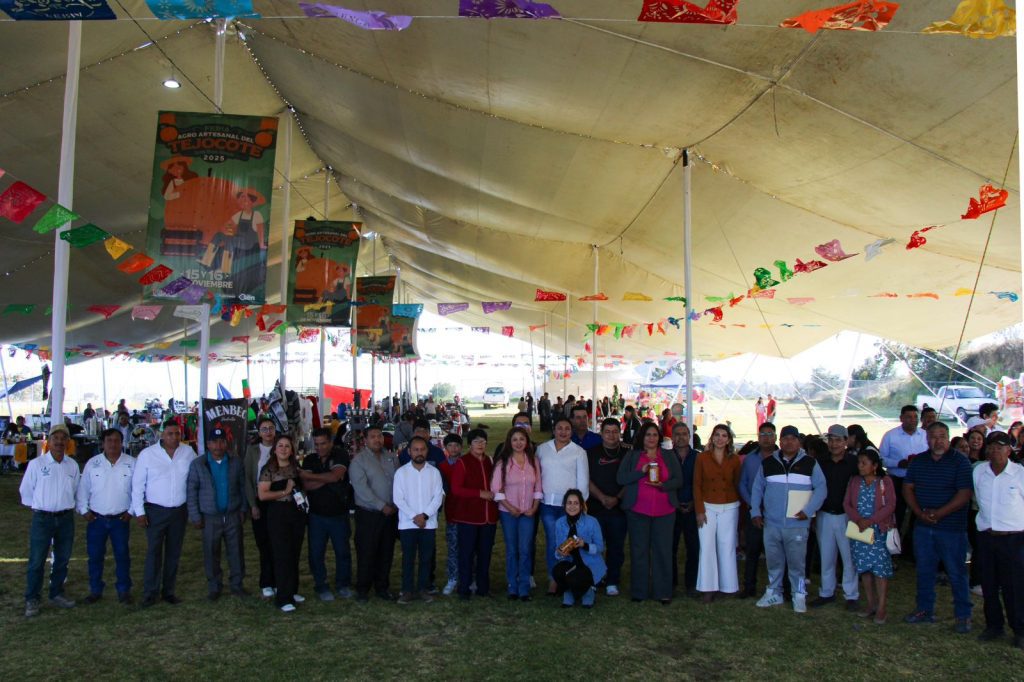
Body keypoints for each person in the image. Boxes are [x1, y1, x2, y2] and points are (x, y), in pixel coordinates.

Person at [901, 421, 974, 632]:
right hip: (923, 526)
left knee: (956, 572)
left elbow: (964, 494)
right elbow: (908, 488)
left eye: (942, 436)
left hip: (951, 528)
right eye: (933, 436)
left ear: (949, 438)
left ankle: (963, 615)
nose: (938, 440)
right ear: (927, 438)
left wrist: (939, 513)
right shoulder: (919, 461)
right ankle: (924, 609)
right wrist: (919, 513)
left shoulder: (960, 462)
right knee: (924, 570)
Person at [751, 425, 826, 613]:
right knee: (774, 561)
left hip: (797, 524)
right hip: (772, 523)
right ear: (780, 441)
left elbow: (821, 489)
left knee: (797, 563)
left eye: (793, 438)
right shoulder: (768, 463)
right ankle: (774, 592)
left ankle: (799, 594)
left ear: (799, 441)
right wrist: (755, 512)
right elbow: (757, 489)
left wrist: (808, 510)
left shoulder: (810, 463)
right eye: (785, 438)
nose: (789, 442)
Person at [132, 420, 197, 608]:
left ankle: (169, 591)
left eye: (177, 433)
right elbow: (137, 485)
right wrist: (139, 511)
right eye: (170, 434)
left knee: (173, 553)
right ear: (162, 435)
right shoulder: (147, 455)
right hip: (155, 511)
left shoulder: (188, 453)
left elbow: (194, 480)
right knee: (154, 552)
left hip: (179, 510)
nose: (174, 437)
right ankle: (150, 593)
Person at [617, 421, 682, 604]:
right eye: (648, 435)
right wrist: (640, 472)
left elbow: (679, 479)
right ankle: (639, 591)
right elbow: (621, 478)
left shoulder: (668, 455)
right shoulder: (632, 456)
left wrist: (664, 486)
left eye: (654, 435)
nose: (651, 438)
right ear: (642, 438)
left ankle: (663, 591)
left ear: (659, 437)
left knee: (663, 551)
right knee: (639, 551)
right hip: (638, 511)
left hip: (665, 511)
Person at [20, 424, 81, 617]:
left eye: (64, 439)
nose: (60, 442)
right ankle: (32, 598)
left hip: (65, 518)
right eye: (56, 438)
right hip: (42, 518)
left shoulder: (72, 465)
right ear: (49, 441)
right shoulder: (37, 464)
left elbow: (76, 491)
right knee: (37, 560)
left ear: (68, 442)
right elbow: (26, 491)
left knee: (62, 559)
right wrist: (41, 507)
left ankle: (56, 593)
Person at [973, 431, 1024, 647]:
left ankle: (1020, 629)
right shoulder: (979, 472)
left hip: (1014, 539)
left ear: (1009, 450)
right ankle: (994, 625)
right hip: (986, 536)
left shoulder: (1020, 474)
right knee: (989, 584)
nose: (995, 451)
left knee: (1015, 587)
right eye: (991, 446)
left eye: (1000, 446)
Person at [187, 427, 249, 600]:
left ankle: (237, 585)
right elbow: (191, 491)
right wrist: (195, 516)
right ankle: (214, 586)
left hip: (232, 515)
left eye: (221, 441)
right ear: (208, 444)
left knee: (236, 551)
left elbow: (243, 487)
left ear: (226, 443)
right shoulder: (198, 464)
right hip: (210, 517)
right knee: (211, 552)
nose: (218, 446)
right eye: (214, 442)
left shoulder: (235, 462)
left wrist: (243, 508)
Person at [76, 428, 135, 605]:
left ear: (122, 443)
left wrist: (131, 511)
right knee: (95, 556)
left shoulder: (132, 463)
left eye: (117, 440)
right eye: (109, 440)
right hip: (96, 519)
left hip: (120, 519)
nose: (113, 444)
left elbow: (139, 490)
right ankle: (95, 590)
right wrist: (84, 510)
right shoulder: (92, 464)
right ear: (103, 443)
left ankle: (124, 590)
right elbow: (83, 490)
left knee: (122, 555)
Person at [537, 417, 590, 596]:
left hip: (570, 507)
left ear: (571, 431)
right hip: (548, 504)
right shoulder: (542, 449)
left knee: (569, 543)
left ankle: (570, 577)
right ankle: (554, 579)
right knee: (553, 541)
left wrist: (580, 505)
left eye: (567, 428)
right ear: (554, 430)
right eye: (559, 428)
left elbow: (583, 481)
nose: (563, 432)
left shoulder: (578, 452)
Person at [844, 447, 896, 624]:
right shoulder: (855, 481)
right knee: (864, 569)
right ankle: (871, 603)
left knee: (879, 570)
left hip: (877, 532)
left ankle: (881, 607)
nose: (860, 466)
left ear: (874, 466)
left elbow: (890, 505)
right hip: (859, 531)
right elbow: (847, 503)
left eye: (864, 463)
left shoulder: (884, 481)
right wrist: (859, 520)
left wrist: (871, 520)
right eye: (859, 462)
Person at [300, 427, 353, 601]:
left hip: (339, 513)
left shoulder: (340, 454)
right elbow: (305, 486)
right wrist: (327, 477)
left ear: (330, 442)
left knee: (342, 552)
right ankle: (321, 585)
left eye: (323, 443)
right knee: (316, 553)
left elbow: (336, 476)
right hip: (316, 515)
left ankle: (343, 584)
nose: (320, 448)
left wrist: (315, 477)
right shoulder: (309, 459)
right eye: (316, 444)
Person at [811, 424, 860, 610]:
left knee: (849, 558)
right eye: (831, 440)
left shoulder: (854, 463)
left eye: (838, 440)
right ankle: (826, 592)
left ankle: (851, 594)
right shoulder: (820, 462)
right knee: (826, 556)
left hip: (847, 516)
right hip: (824, 514)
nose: (834, 444)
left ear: (846, 442)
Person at [349, 425, 399, 602]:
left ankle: (382, 587)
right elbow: (361, 489)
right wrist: (381, 505)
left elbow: (398, 482)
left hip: (390, 513)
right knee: (367, 552)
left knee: (386, 551)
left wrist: (395, 505)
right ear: (366, 440)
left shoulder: (392, 458)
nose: (377, 440)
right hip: (369, 514)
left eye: (379, 436)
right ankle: (362, 589)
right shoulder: (359, 461)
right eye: (373, 437)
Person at [491, 426, 542, 600]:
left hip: (528, 512)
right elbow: (496, 490)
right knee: (512, 549)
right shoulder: (503, 463)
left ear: (527, 441)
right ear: (509, 442)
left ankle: (524, 587)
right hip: (508, 513)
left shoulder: (533, 461)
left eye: (522, 439)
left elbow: (538, 487)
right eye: (515, 440)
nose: (518, 443)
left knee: (526, 549)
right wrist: (510, 507)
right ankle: (512, 585)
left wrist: (534, 507)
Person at [258, 435, 307, 612]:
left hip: (296, 514)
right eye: (281, 446)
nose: (284, 449)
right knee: (282, 554)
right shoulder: (269, 469)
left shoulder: (295, 467)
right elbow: (263, 495)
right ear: (275, 449)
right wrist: (284, 492)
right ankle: (283, 597)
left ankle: (291, 590)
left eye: (287, 446)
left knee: (294, 552)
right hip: (278, 514)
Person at [393, 436, 445, 604]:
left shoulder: (434, 472)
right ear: (409, 452)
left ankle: (424, 588)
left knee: (426, 558)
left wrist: (425, 516)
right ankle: (407, 590)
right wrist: (414, 516)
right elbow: (398, 499)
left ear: (427, 451)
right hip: (408, 524)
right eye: (415, 449)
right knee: (408, 558)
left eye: (422, 449)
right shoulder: (401, 473)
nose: (419, 452)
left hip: (428, 524)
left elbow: (438, 497)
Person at [693, 423, 741, 602]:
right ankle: (707, 587)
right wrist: (699, 509)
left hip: (729, 506)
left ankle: (728, 586)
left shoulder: (735, 460)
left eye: (724, 436)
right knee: (707, 546)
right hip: (707, 506)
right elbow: (696, 484)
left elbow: (737, 483)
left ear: (728, 440)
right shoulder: (702, 458)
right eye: (717, 435)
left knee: (727, 546)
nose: (720, 438)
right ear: (712, 437)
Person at [450, 428, 498, 599]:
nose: (480, 445)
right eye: (476, 441)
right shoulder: (462, 462)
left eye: (483, 442)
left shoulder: (490, 461)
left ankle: (483, 588)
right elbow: (456, 489)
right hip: (468, 516)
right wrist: (479, 493)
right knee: (466, 554)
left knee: (485, 553)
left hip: (488, 517)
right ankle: (464, 588)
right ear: (469, 444)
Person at [879, 405, 928, 559]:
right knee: (896, 515)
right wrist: (898, 463)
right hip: (897, 480)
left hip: (920, 482)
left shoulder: (925, 435)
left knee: (918, 515)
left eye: (915, 417)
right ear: (901, 418)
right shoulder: (890, 435)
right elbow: (881, 459)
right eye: (908, 417)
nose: (912, 420)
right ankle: (893, 548)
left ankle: (913, 550)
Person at [587, 418, 629, 596]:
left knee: (616, 547)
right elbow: (585, 479)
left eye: (615, 432)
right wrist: (602, 497)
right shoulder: (590, 453)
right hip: (596, 508)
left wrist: (617, 498)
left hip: (619, 509)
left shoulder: (627, 454)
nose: (611, 435)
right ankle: (595, 578)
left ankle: (612, 580)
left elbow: (631, 480)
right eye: (607, 432)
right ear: (601, 433)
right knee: (594, 547)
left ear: (620, 433)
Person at [738, 422, 776, 598]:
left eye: (770, 434)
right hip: (754, 511)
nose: (766, 438)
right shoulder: (750, 459)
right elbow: (743, 484)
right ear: (758, 437)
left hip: (776, 512)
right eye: (763, 435)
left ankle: (775, 587)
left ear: (775, 437)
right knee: (752, 550)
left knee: (775, 552)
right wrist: (752, 505)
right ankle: (749, 587)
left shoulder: (782, 458)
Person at [553, 489, 606, 608]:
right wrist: (560, 552)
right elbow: (557, 550)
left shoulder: (592, 522)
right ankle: (569, 591)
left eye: (576, 503)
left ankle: (588, 591)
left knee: (578, 576)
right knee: (557, 571)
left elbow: (600, 547)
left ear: (582, 505)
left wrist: (585, 545)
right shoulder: (559, 523)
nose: (572, 506)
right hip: (569, 562)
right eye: (569, 503)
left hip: (588, 563)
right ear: (564, 505)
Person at [244, 417, 277, 598]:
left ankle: (280, 581)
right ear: (259, 432)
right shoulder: (252, 451)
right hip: (260, 501)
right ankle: (266, 582)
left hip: (279, 501)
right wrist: (252, 505)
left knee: (279, 544)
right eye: (264, 429)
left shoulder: (282, 447)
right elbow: (248, 480)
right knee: (264, 544)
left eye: (271, 428)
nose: (268, 432)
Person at [670, 421, 699, 597]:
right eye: (677, 434)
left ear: (689, 436)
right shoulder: (666, 456)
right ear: (672, 437)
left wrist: (694, 503)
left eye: (684, 434)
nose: (681, 437)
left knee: (694, 548)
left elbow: (701, 483)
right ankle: (671, 582)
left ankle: (692, 583)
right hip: (672, 509)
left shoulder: (699, 457)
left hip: (693, 508)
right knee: (670, 548)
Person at [438, 433, 463, 595]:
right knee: (453, 547)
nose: (454, 448)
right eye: (450, 446)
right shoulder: (441, 467)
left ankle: (470, 577)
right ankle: (453, 577)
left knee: (470, 547)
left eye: (456, 445)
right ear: (445, 448)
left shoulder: (466, 463)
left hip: (468, 512)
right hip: (452, 512)